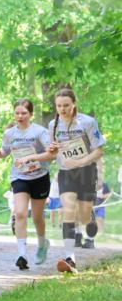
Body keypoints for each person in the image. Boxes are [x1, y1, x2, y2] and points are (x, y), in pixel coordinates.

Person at [46, 88, 105, 273]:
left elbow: (99, 150)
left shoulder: (87, 122)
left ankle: (90, 218)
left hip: (87, 171)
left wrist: (80, 161)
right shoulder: (53, 125)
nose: (62, 109)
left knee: (84, 216)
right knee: (68, 209)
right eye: (59, 106)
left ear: (74, 104)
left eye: (66, 105)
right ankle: (70, 257)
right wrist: (52, 150)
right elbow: (52, 152)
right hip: (66, 172)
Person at [0, 99, 55, 269]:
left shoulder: (40, 132)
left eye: (24, 113)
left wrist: (30, 158)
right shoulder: (10, 134)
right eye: (17, 113)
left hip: (40, 176)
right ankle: (22, 254)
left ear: (31, 114)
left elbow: (51, 154)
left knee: (37, 217)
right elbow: (5, 151)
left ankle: (42, 244)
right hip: (19, 176)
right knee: (20, 213)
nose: (20, 116)